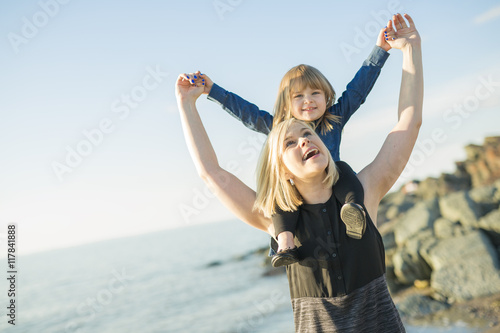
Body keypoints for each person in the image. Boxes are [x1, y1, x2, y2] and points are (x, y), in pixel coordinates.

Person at [176, 13, 422, 332]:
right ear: (281, 168)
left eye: (309, 134)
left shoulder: (363, 193)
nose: (304, 139)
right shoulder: (277, 222)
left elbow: (409, 122)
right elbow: (212, 174)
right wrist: (188, 104)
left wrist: (410, 49)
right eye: (290, 141)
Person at [186, 27, 393, 266]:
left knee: (345, 172)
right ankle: (285, 243)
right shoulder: (278, 127)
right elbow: (246, 112)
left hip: (333, 184)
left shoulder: (334, 118)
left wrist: (381, 50)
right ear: (286, 104)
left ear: (327, 97)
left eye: (315, 93)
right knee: (282, 200)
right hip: (300, 191)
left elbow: (358, 89)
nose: (308, 100)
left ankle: (353, 210)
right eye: (298, 96)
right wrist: (212, 90)